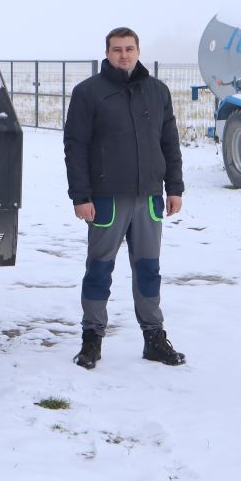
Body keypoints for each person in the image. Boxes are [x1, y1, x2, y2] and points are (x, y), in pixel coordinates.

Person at [63, 27, 186, 369]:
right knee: (100, 269)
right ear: (107, 52)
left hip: (148, 198)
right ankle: (92, 341)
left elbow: (169, 143)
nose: (124, 55)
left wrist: (174, 187)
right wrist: (80, 196)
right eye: (117, 49)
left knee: (148, 270)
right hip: (105, 200)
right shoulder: (88, 93)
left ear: (138, 50)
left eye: (129, 48)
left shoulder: (157, 91)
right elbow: (75, 147)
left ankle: (154, 339)